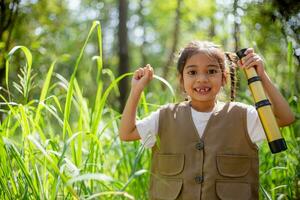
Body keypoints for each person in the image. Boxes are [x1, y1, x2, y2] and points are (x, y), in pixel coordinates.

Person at [119, 41, 295, 199]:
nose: (202, 79)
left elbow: (285, 118)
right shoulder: (165, 117)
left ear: (224, 77)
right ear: (181, 79)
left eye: (211, 71)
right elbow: (127, 133)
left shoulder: (243, 116)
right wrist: (136, 90)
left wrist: (261, 76)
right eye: (192, 72)